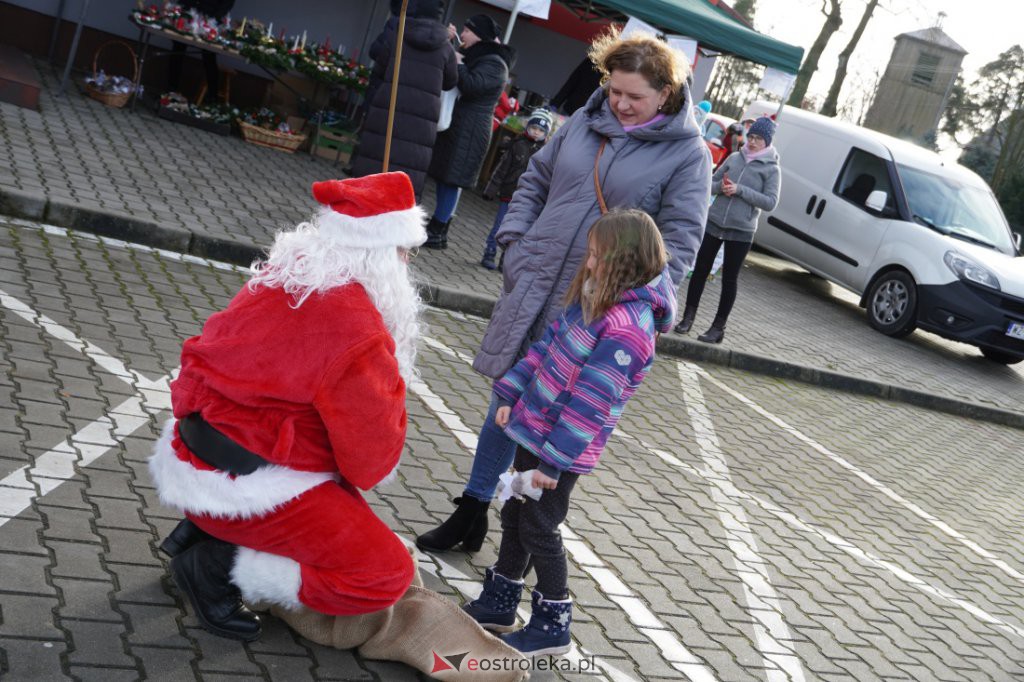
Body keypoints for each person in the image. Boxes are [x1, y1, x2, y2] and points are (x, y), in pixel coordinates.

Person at [148, 172, 526, 679]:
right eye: (403, 252)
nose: (408, 263)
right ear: (377, 252)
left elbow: (200, 358)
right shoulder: (356, 328)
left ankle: (199, 529)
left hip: (190, 454)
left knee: (333, 489)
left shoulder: (282, 275)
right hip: (256, 486)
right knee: (385, 574)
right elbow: (370, 463)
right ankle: (223, 568)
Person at [415, 28, 710, 554]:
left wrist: (627, 302)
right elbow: (534, 181)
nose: (620, 103)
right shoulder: (584, 123)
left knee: (547, 421)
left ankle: (521, 546)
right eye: (614, 89)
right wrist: (516, 243)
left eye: (634, 97)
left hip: (593, 309)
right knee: (505, 398)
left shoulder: (688, 155)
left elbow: (679, 246)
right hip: (534, 282)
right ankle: (472, 509)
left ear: (665, 93)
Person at [461, 209, 676, 655]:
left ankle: (552, 622)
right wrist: (509, 394)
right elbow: (544, 350)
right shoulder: (594, 299)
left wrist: (553, 463)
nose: (589, 261)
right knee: (516, 513)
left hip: (558, 452)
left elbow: (590, 403)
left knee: (540, 525)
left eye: (597, 255)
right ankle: (501, 600)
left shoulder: (628, 329)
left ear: (625, 261)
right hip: (533, 430)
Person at [674, 116, 781, 343]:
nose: (752, 142)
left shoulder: (772, 170)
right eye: (751, 136)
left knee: (729, 279)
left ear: (768, 141)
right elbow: (709, 184)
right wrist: (721, 188)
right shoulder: (734, 157)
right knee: (700, 270)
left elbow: (770, 202)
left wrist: (740, 190)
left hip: (741, 230)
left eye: (758, 139)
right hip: (714, 223)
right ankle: (687, 318)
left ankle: (717, 328)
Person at [424, 14, 516, 249]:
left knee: (451, 180)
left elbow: (472, 85)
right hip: (464, 127)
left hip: (470, 129)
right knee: (447, 178)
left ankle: (437, 230)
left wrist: (459, 62)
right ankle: (439, 229)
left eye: (467, 31)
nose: (463, 35)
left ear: (479, 35)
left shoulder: (495, 63)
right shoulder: (485, 57)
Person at [349, 0, 457, 198]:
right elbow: (450, 82)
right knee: (408, 169)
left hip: (389, 107)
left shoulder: (398, 35)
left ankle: (363, 212)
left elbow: (380, 66)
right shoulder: (446, 48)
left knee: (376, 163)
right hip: (423, 119)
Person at [479, 109, 553, 270]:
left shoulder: (546, 153)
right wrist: (490, 190)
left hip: (529, 200)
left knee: (518, 231)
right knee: (499, 225)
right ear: (527, 126)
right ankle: (489, 252)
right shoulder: (516, 144)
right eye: (534, 128)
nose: (536, 132)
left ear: (546, 133)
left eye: (541, 130)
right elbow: (501, 169)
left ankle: (506, 260)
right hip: (508, 194)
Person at [167, 0, 235, 100]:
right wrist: (184, 10)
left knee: (209, 56)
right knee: (178, 48)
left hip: (209, 21)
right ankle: (171, 89)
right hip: (189, 14)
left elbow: (227, 4)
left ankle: (212, 96)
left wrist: (213, 19)